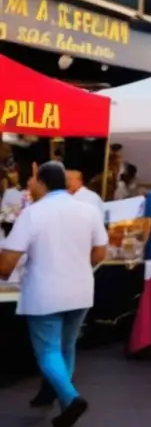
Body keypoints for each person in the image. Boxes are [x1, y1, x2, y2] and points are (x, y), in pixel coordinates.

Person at [0, 161, 107, 427]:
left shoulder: (33, 214)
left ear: (43, 182)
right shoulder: (88, 211)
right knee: (66, 347)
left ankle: (71, 399)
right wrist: (78, 267)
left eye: (33, 180)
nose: (30, 185)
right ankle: (63, 403)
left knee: (47, 351)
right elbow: (100, 253)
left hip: (44, 292)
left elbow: (6, 263)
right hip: (81, 289)